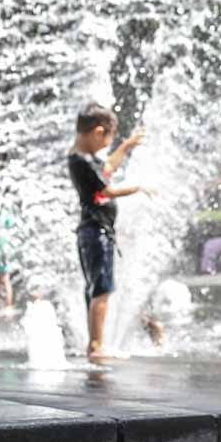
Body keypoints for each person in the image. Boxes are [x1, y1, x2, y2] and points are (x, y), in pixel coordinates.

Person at [68, 103, 149, 362]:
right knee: (101, 289)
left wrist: (126, 146)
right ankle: (96, 346)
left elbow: (107, 169)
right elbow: (107, 190)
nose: (106, 147)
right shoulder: (80, 160)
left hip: (94, 230)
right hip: (96, 231)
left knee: (96, 288)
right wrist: (137, 187)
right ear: (97, 132)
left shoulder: (84, 159)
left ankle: (95, 343)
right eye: (107, 141)